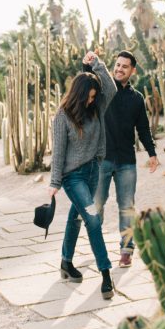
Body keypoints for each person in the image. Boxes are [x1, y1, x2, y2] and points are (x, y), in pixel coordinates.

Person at [46, 50, 117, 299]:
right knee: (93, 219)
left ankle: (66, 262)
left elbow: (111, 88)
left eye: (94, 97)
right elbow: (58, 153)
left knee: (76, 218)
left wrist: (96, 64)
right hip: (72, 177)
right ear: (78, 95)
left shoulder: (96, 108)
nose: (91, 101)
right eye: (88, 97)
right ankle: (106, 274)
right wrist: (54, 183)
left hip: (93, 171)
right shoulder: (62, 117)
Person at [91, 51, 158, 267]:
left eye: (125, 66)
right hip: (102, 159)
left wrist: (152, 153)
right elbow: (85, 84)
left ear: (133, 71)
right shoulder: (102, 91)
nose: (119, 69)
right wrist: (88, 64)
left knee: (127, 206)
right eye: (117, 65)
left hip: (126, 161)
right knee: (97, 205)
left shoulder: (137, 98)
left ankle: (126, 250)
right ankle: (96, 246)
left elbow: (144, 129)